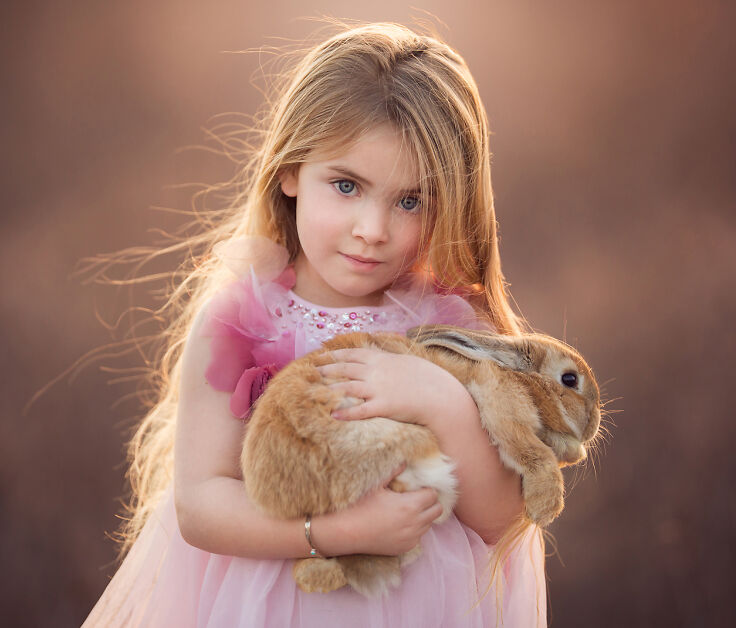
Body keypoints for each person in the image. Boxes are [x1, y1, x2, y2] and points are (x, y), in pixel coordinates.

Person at [84, 21, 547, 627]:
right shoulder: (241, 322)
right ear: (291, 170)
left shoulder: (452, 333)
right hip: (274, 602)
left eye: (411, 200)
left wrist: (442, 400)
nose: (373, 229)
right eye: (347, 185)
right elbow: (200, 503)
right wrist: (340, 529)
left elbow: (501, 520)